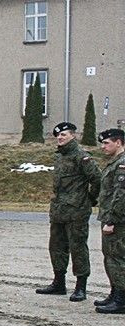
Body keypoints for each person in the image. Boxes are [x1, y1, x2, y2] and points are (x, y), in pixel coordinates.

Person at [36, 122, 101, 300]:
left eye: (63, 135)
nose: (60, 138)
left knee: (78, 248)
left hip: (76, 211)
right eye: (58, 135)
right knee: (56, 247)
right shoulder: (60, 156)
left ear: (73, 135)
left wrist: (89, 199)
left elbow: (97, 179)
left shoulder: (82, 157)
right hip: (59, 209)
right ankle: (59, 283)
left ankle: (81, 287)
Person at [94, 129, 125, 313]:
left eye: (106, 143)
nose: (103, 147)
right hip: (110, 217)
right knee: (110, 258)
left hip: (118, 220)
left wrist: (112, 220)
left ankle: (121, 299)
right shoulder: (114, 163)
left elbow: (121, 195)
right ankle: (115, 293)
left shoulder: (122, 164)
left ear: (118, 143)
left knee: (118, 258)